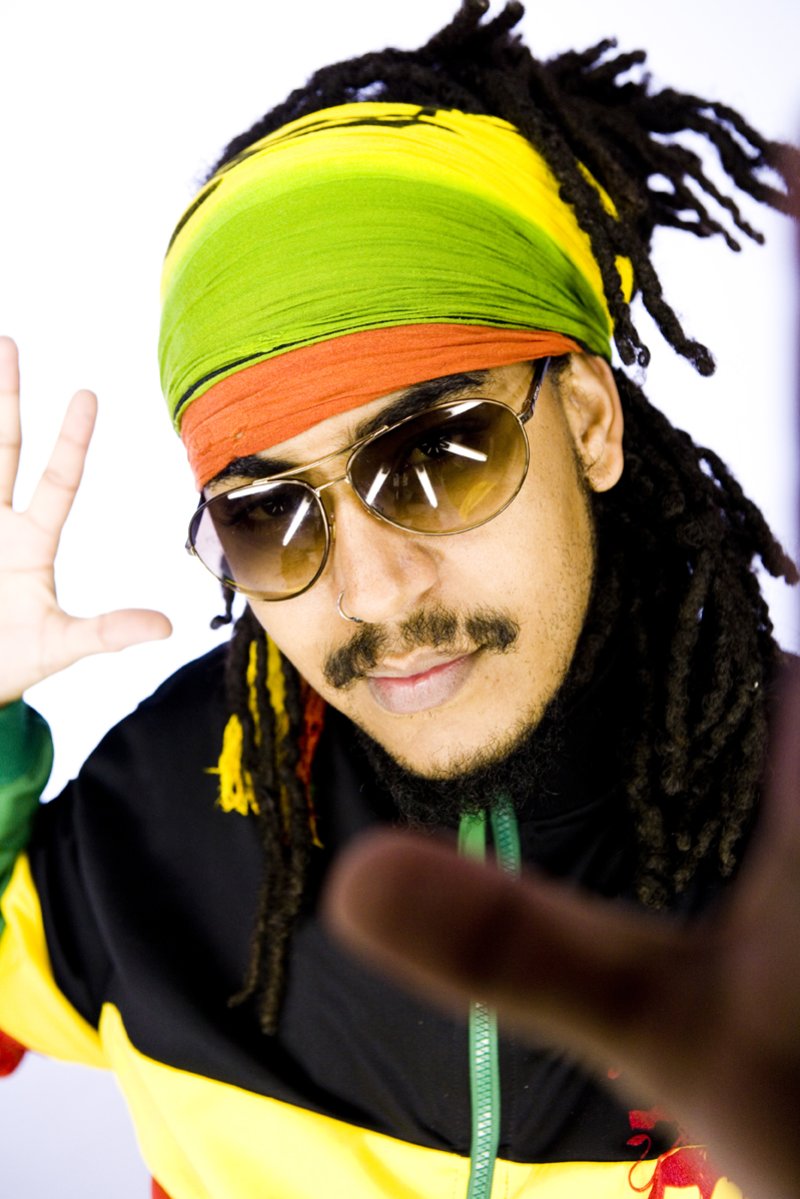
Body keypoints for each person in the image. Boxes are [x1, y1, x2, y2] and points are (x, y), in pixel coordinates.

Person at [0, 2, 797, 1197]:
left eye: (437, 456)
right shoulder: (163, 803)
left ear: (587, 419)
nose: (372, 591)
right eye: (270, 515)